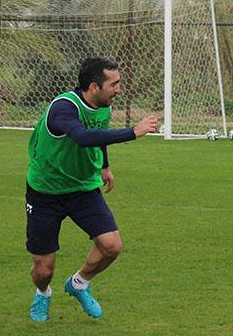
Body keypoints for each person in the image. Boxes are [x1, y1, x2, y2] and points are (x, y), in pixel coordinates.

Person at [25, 57, 157, 322]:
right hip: (45, 192)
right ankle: (43, 293)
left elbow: (99, 132)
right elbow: (84, 137)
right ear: (94, 87)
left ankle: (78, 283)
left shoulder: (103, 104)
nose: (118, 89)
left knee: (112, 246)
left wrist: (104, 166)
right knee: (44, 269)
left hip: (83, 189)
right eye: (114, 84)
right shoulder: (63, 108)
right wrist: (133, 132)